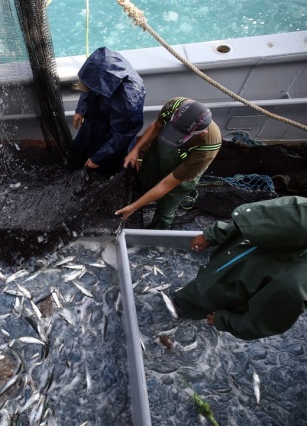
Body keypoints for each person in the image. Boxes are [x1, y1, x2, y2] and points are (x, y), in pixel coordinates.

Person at [173, 196, 307, 340]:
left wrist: (225, 320)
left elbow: (261, 322)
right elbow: (251, 224)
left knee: (186, 306)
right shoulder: (289, 221)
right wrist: (213, 235)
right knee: (195, 290)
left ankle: (182, 309)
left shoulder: (294, 284)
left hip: (225, 296)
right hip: (221, 268)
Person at [115, 97, 222, 229]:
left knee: (166, 209)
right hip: (159, 151)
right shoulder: (175, 105)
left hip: (182, 168)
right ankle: (139, 197)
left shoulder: (207, 147)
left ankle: (155, 236)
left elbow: (166, 185)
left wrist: (133, 207)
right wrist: (136, 149)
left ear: (201, 134)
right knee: (144, 178)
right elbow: (156, 126)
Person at [71, 47, 145, 176]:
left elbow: (122, 135)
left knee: (107, 167)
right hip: (95, 115)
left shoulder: (129, 100)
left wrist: (98, 158)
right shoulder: (101, 63)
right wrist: (81, 109)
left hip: (116, 134)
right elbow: (88, 84)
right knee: (80, 149)